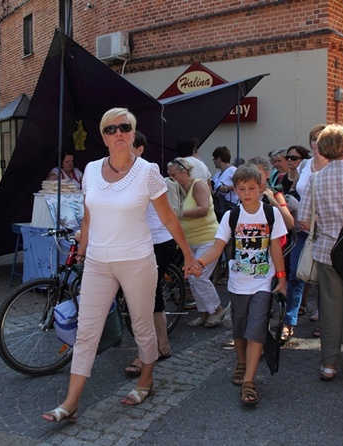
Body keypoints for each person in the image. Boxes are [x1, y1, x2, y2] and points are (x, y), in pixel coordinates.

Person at [42, 108, 198, 423]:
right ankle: (71, 403)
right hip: (99, 261)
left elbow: (168, 217)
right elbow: (88, 216)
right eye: (111, 129)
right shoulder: (91, 170)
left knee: (142, 325)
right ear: (103, 136)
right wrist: (81, 250)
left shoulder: (148, 171)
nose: (118, 134)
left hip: (137, 260)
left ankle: (146, 380)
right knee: (86, 331)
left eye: (124, 128)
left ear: (133, 132)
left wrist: (189, 255)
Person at [188, 164, 287, 405]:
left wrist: (282, 279)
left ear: (261, 187)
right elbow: (217, 247)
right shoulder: (231, 216)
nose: (247, 193)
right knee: (240, 330)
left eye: (251, 188)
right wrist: (199, 262)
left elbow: (275, 247)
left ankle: (250, 381)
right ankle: (241, 363)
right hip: (238, 283)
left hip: (263, 283)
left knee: (256, 330)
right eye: (241, 189)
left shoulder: (271, 214)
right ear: (236, 190)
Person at [297, 124, 343, 382]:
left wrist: (321, 219)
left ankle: (329, 364)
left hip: (327, 250)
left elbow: (303, 220)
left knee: (329, 308)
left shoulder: (317, 178)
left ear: (324, 149)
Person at [123, 131, 181, 376]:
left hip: (157, 242)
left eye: (128, 147)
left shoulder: (147, 171)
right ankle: (163, 346)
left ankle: (145, 353)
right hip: (143, 242)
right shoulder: (124, 173)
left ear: (139, 149)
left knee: (142, 299)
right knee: (151, 296)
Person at [167, 157, 229, 328]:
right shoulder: (176, 189)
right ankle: (204, 314)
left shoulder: (198, 185)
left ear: (184, 173)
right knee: (192, 277)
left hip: (208, 239)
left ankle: (217, 309)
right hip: (189, 242)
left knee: (197, 277)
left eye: (172, 174)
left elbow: (203, 209)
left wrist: (179, 213)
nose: (170, 177)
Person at [280, 126, 326, 343]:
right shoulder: (306, 165)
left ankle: (326, 322)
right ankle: (289, 322)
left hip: (327, 232)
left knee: (325, 280)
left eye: (320, 138)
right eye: (313, 138)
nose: (316, 142)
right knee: (296, 274)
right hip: (303, 230)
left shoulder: (335, 166)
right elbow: (298, 189)